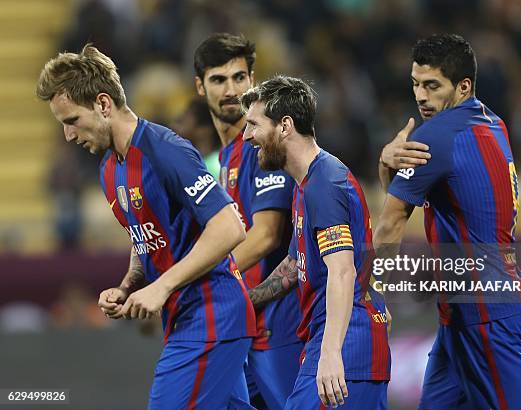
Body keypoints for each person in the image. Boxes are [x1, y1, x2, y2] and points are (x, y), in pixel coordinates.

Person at [36, 44, 256, 409]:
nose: (69, 136)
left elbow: (230, 226)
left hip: (212, 315)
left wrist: (163, 286)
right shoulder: (111, 168)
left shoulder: (165, 150)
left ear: (103, 105)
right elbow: (147, 241)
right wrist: (128, 286)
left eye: (72, 121)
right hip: (185, 319)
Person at [373, 34, 521, 410]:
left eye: (432, 86)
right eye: (416, 84)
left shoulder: (437, 136)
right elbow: (417, 198)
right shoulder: (492, 123)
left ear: (463, 86)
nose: (420, 96)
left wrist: (367, 294)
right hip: (468, 313)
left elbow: (392, 221)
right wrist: (388, 167)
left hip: (484, 314)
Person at [243, 75, 391, 409]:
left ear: (284, 126)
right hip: (340, 341)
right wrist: (244, 301)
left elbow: (342, 271)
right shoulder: (307, 183)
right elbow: (297, 264)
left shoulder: (324, 182)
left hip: (346, 346)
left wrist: (331, 354)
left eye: (253, 124)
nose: (247, 135)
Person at [192, 33, 303, 410]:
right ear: (199, 86)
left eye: (239, 78)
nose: (230, 89)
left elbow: (268, 235)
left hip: (280, 323)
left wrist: (195, 279)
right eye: (218, 80)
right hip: (247, 323)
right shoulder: (224, 159)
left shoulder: (261, 148)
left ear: (253, 81)